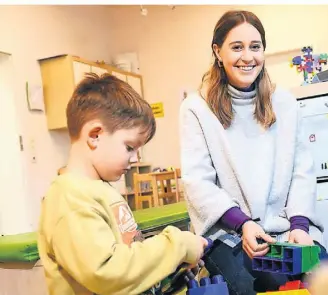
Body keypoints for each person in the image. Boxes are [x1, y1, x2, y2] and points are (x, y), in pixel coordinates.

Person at [179, 10, 328, 294]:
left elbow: (301, 171)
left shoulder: (284, 102)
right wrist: (243, 224)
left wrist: (299, 226)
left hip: (285, 230)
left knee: (323, 278)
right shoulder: (195, 108)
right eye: (237, 47)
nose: (248, 57)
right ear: (217, 52)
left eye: (255, 47)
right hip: (230, 235)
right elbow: (198, 182)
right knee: (256, 285)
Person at [38, 73, 208, 295]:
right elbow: (106, 272)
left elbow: (128, 264)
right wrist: (177, 246)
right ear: (95, 135)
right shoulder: (70, 198)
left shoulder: (100, 190)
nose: (135, 158)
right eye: (130, 147)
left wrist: (170, 270)